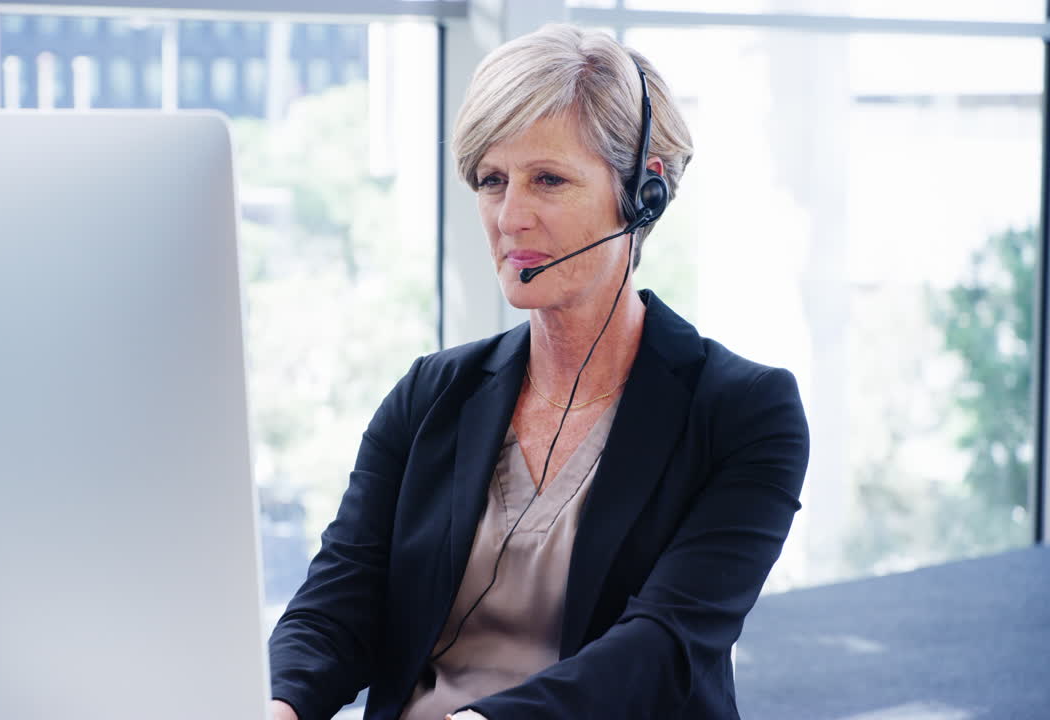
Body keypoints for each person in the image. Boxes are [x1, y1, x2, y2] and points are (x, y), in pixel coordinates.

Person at [268, 23, 809, 720]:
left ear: (642, 193)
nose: (510, 217)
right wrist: (279, 706)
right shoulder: (429, 395)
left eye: (548, 180)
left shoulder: (745, 412)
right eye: (491, 181)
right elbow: (339, 601)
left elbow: (663, 648)